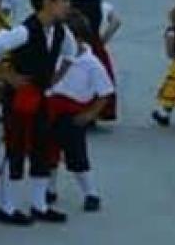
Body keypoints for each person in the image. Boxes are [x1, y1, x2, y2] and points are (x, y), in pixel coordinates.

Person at [0, 0, 80, 225]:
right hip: (20, 99)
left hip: (42, 97)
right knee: (15, 149)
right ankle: (7, 206)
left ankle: (39, 204)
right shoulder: (24, 31)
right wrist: (7, 75)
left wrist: (55, 79)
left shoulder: (60, 31)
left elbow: (71, 53)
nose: (68, 5)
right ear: (47, 2)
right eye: (64, 0)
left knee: (42, 149)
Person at [48, 12, 113, 211]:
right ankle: (50, 189)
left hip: (72, 113)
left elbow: (105, 91)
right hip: (49, 109)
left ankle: (90, 192)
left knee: (76, 156)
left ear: (79, 39)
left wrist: (90, 114)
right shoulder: (54, 55)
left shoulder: (91, 63)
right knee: (47, 153)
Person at [69, 0, 122, 123]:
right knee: (98, 77)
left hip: (72, 44)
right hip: (94, 44)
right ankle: (96, 110)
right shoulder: (102, 5)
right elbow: (116, 22)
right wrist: (103, 39)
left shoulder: (70, 3)